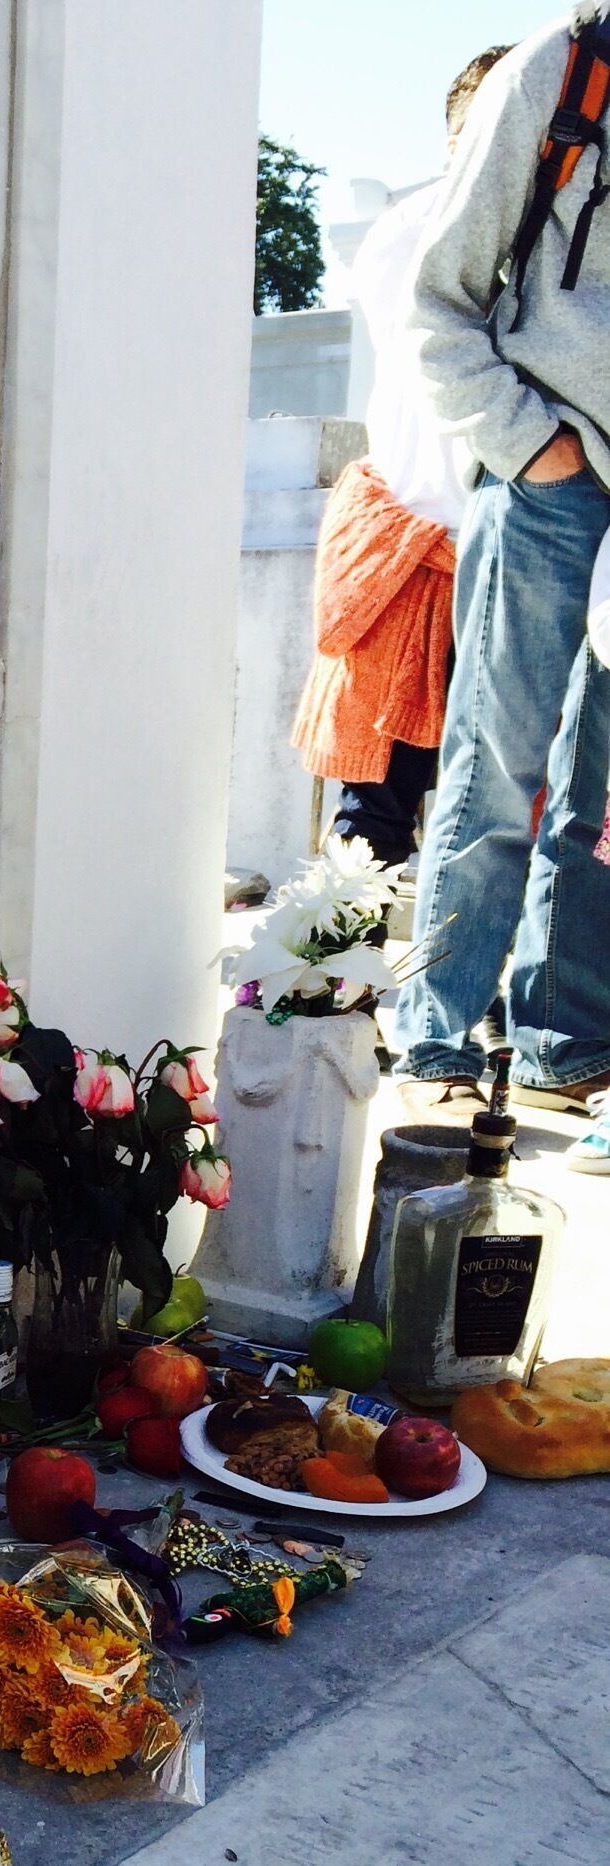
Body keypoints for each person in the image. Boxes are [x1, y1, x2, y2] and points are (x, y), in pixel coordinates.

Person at [398, 12, 610, 1118]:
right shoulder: (557, 70)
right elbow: (438, 304)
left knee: (601, 787)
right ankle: (433, 1034)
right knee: (502, 760)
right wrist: (540, 450)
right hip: (549, 476)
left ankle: (559, 1038)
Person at [300, 49, 512, 869]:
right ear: (455, 136)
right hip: (420, 539)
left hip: (499, 542)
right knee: (382, 806)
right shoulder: (416, 228)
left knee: (493, 800)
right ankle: (336, 978)